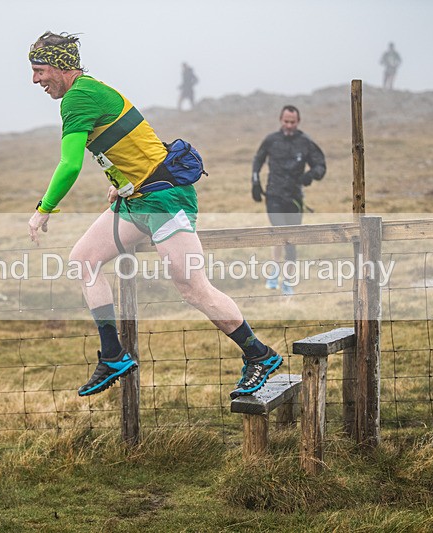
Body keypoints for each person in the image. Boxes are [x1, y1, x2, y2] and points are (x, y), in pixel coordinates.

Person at [27, 31, 281, 399]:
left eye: (40, 70)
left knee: (192, 287)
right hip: (136, 201)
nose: (36, 80)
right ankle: (113, 354)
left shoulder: (79, 96)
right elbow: (133, 141)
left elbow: (69, 165)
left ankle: (259, 355)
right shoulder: (87, 92)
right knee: (83, 260)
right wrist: (122, 180)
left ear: (61, 65)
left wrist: (43, 210)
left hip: (164, 201)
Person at [251, 105, 326, 295]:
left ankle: (288, 281)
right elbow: (257, 161)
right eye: (286, 121)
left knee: (292, 241)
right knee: (280, 232)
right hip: (274, 195)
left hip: (294, 198)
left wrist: (311, 175)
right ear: (280, 120)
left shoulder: (305, 142)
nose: (289, 125)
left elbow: (320, 165)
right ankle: (274, 273)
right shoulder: (271, 140)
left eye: (292, 122)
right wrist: (255, 182)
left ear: (298, 122)